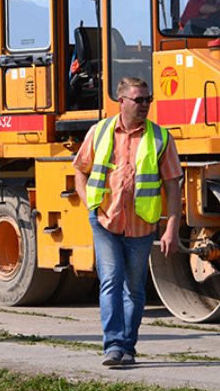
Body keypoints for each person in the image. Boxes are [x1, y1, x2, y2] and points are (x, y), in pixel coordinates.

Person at [73, 77, 182, 367]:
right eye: (139, 100)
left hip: (142, 225)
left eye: (148, 100)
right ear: (122, 101)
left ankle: (128, 347)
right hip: (105, 221)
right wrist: (90, 206)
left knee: (134, 288)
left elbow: (173, 185)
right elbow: (80, 171)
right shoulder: (100, 132)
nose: (145, 105)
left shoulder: (160, 138)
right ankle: (113, 345)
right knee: (110, 280)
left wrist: (172, 227)